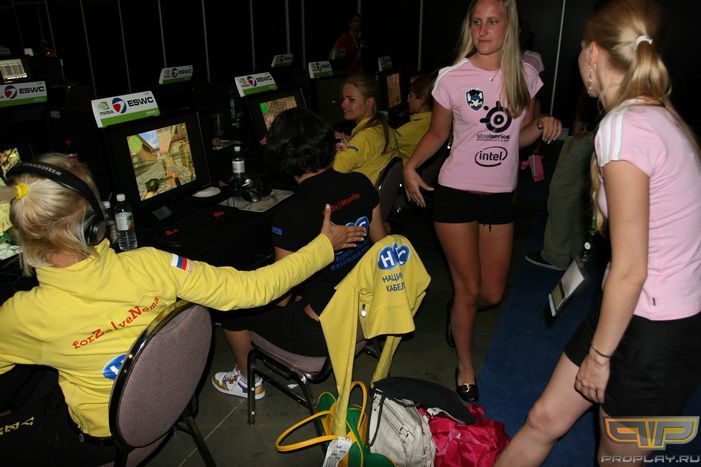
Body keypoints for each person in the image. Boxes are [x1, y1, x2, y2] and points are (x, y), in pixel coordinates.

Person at [0, 153, 366, 465]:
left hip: (102, 441)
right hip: (170, 401)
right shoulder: (151, 264)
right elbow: (256, 288)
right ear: (93, 221)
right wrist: (323, 245)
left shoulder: (22, 316)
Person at [496, 0, 701, 465]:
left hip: (654, 329)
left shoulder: (625, 127)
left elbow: (632, 268)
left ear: (592, 52)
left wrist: (601, 357)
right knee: (544, 419)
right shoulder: (656, 115)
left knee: (617, 458)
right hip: (634, 311)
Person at [403, 0, 562, 402]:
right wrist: (411, 166)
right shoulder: (452, 77)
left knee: (491, 293)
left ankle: (457, 314)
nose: (484, 30)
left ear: (509, 26)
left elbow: (520, 137)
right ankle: (465, 365)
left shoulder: (526, 75)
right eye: (477, 22)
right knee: (469, 290)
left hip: (499, 198)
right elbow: (438, 133)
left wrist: (542, 125)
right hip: (455, 194)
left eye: (493, 21)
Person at [212, 108, 386, 399]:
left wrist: (252, 278)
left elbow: (281, 297)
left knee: (230, 308)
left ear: (283, 158)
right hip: (369, 312)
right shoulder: (361, 183)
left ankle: (246, 380)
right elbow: (383, 246)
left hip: (322, 335)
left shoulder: (291, 214)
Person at [525, 86, 600, 270]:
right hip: (597, 127)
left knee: (564, 191)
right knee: (584, 194)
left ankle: (556, 255)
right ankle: (577, 251)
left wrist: (580, 119)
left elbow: (590, 88)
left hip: (592, 128)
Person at [334, 72, 399, 185]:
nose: (343, 104)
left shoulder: (362, 140)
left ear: (369, 102)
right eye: (343, 99)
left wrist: (335, 154)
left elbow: (331, 175)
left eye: (351, 99)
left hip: (359, 194)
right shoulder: (386, 128)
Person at [396, 75, 434, 164]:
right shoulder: (437, 121)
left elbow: (383, 143)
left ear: (421, 100)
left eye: (411, 96)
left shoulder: (408, 130)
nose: (408, 100)